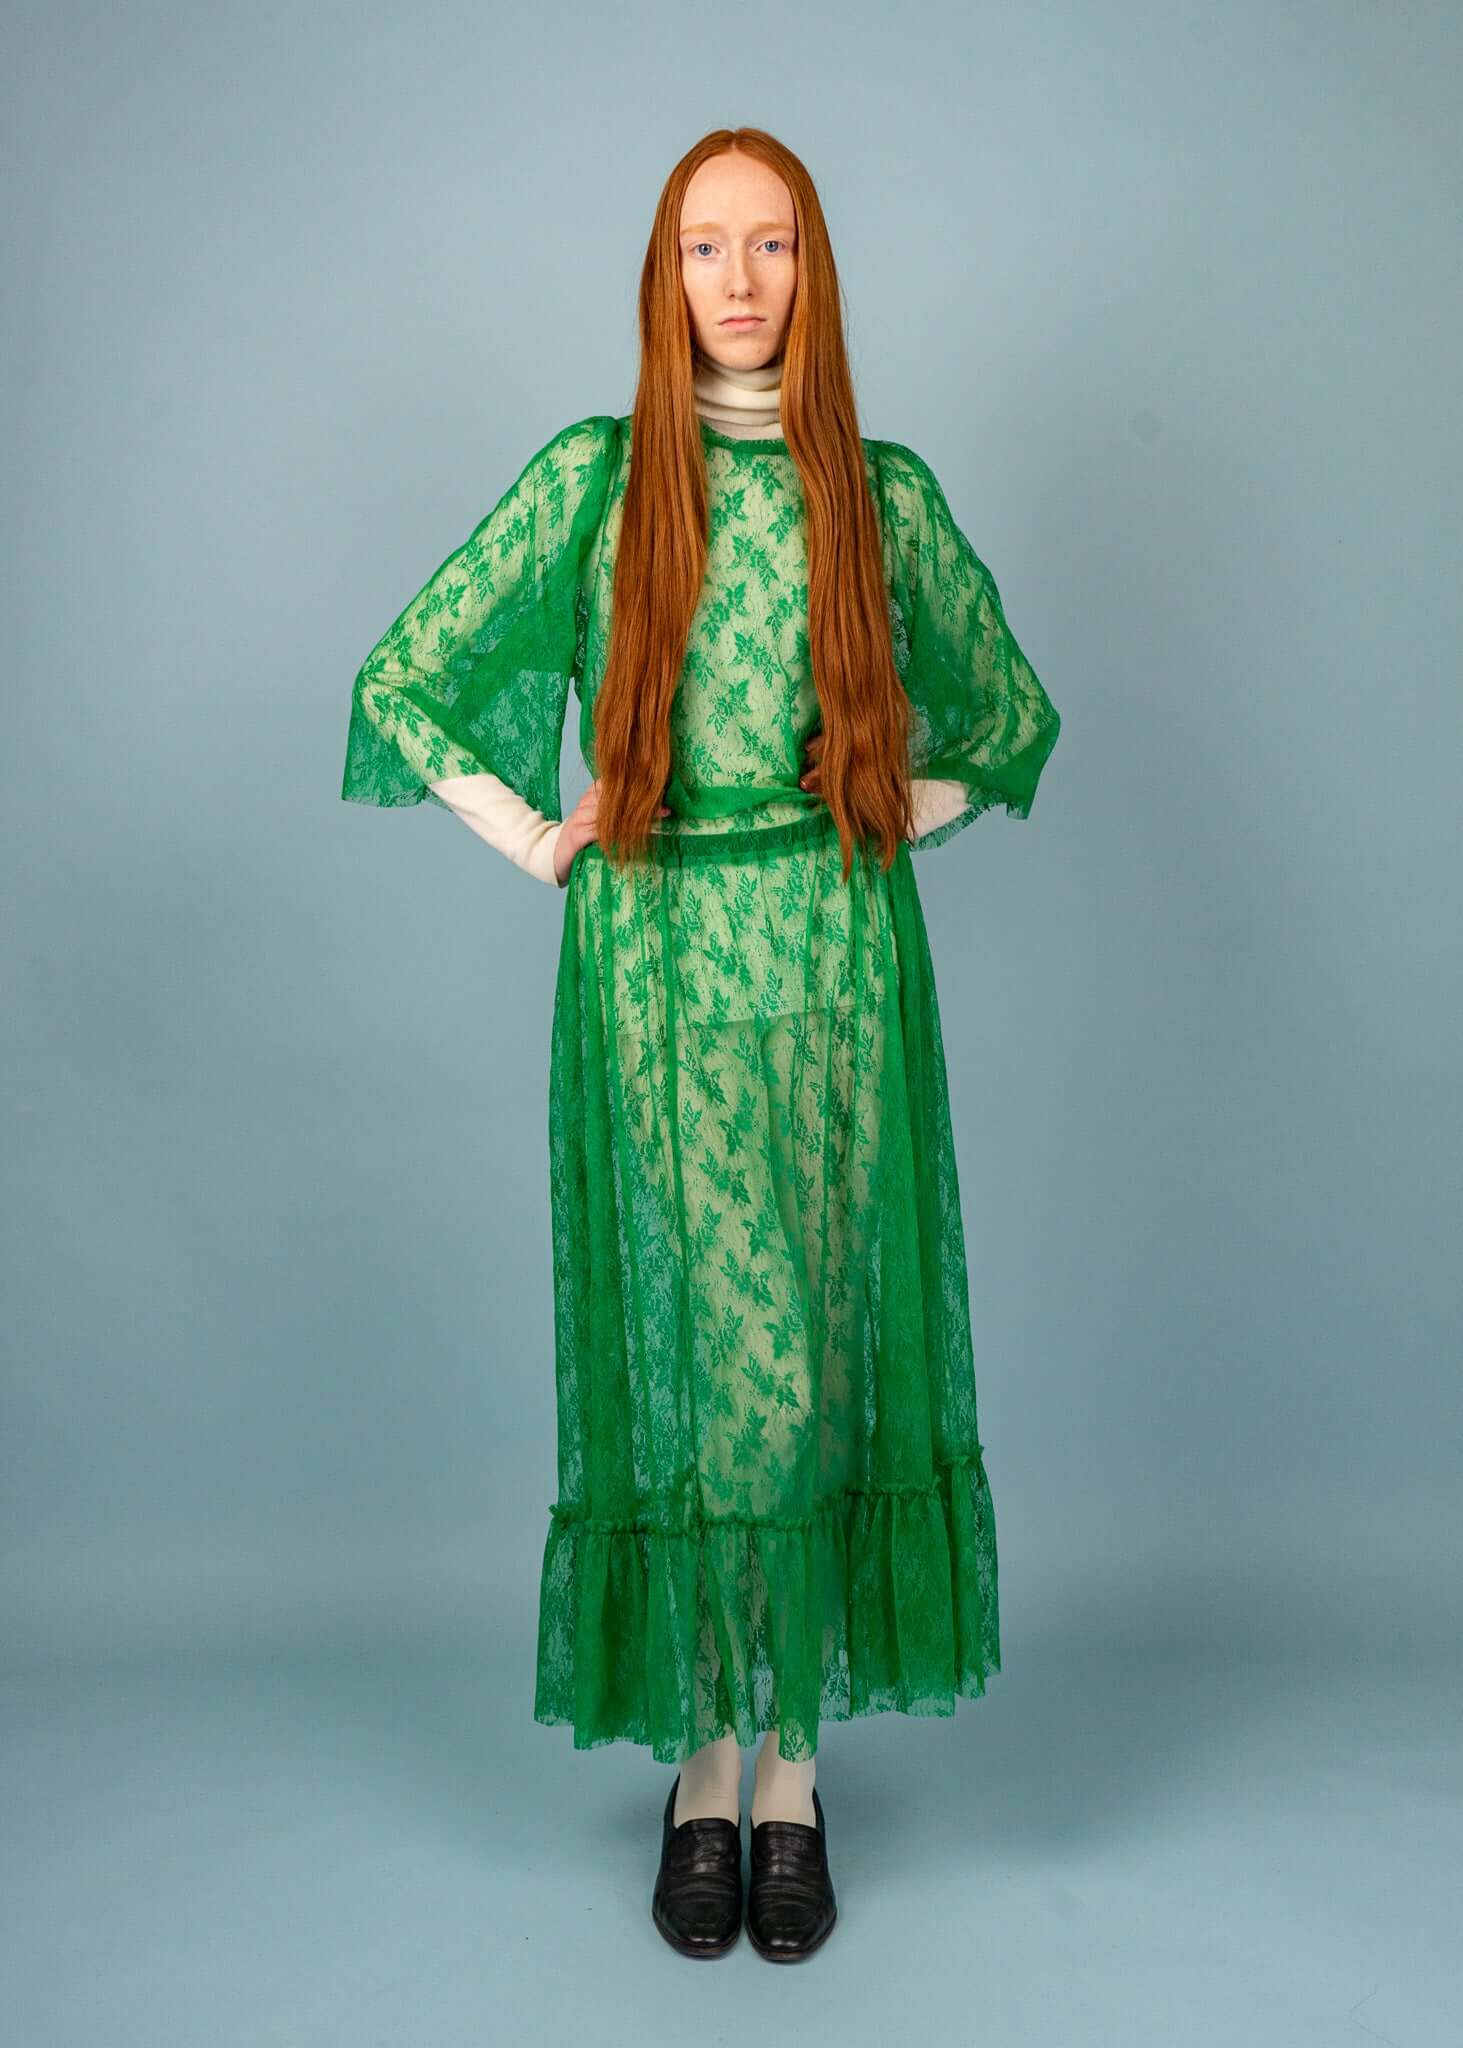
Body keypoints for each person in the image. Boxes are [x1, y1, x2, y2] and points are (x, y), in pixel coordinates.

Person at [341, 126, 1061, 1964]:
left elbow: (1010, 719)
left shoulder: (875, 495)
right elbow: (402, 677)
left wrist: (900, 802)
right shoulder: (600, 481)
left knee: (811, 1370)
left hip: (831, 962)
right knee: (701, 1368)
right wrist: (543, 837)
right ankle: (703, 1766)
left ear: (817, 273)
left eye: (774, 245)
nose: (740, 282)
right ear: (662, 279)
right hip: (653, 974)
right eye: (703, 248)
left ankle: (792, 1775)